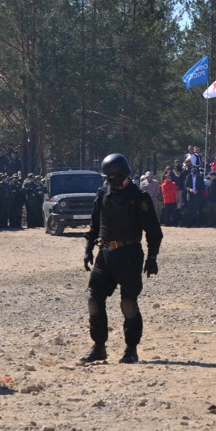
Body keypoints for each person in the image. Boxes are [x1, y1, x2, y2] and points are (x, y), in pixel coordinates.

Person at [80, 154, 163, 365]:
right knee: (94, 300)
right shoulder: (103, 194)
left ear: (122, 175)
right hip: (106, 254)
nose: (108, 181)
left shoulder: (139, 197)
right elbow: (95, 224)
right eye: (106, 177)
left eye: (111, 177)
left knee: (128, 304)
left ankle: (131, 349)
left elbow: (153, 231)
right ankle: (99, 347)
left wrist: (152, 257)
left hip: (130, 255)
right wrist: (89, 249)